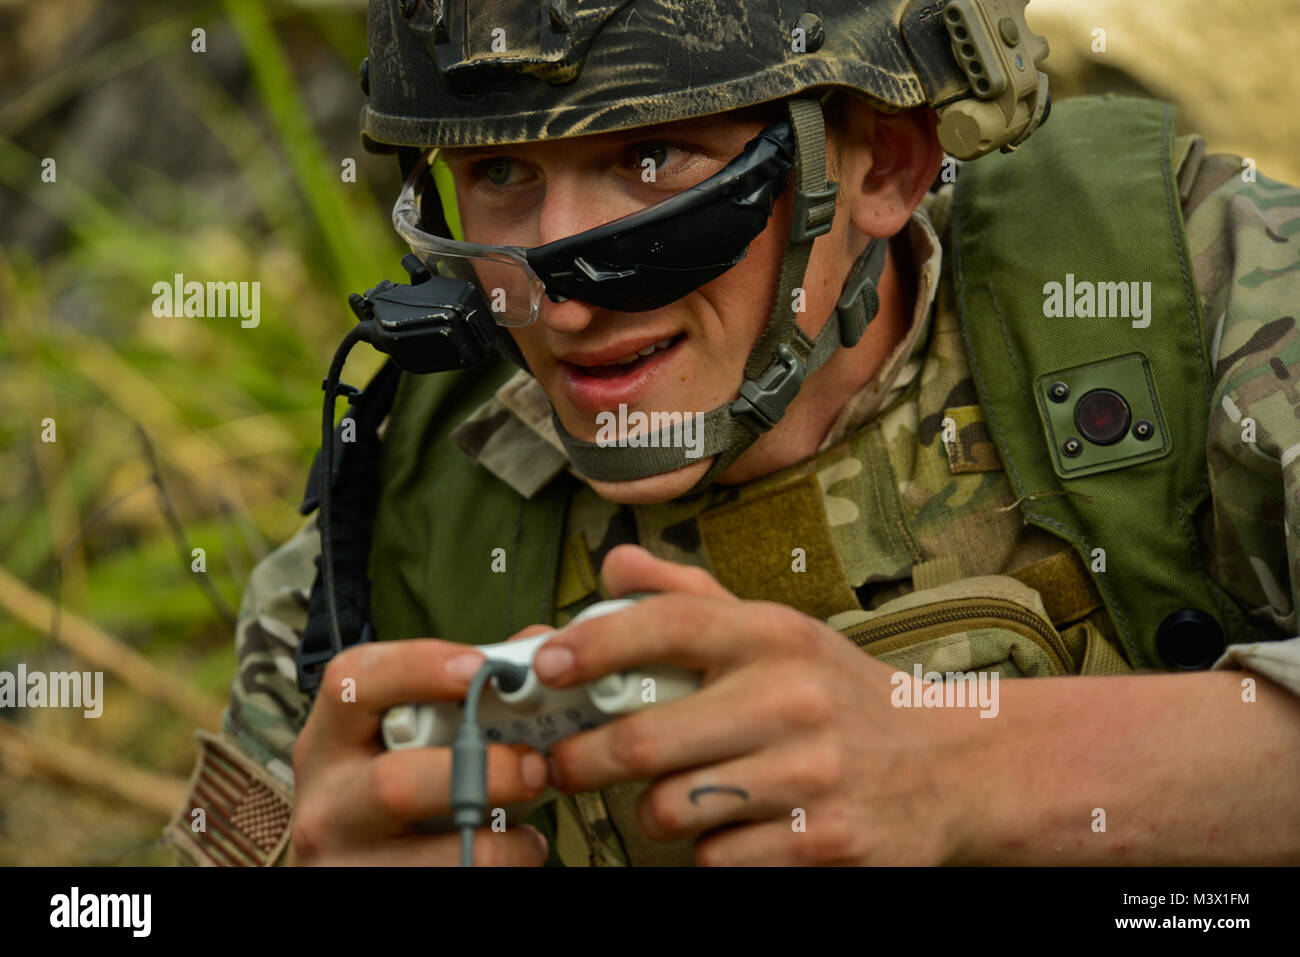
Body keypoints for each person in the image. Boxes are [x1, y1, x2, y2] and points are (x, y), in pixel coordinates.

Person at [167, 0, 1300, 867]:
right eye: (500, 174)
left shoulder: (1192, 283)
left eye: (652, 161)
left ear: (882, 163)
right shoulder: (410, 507)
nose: (554, 299)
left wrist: (955, 770)